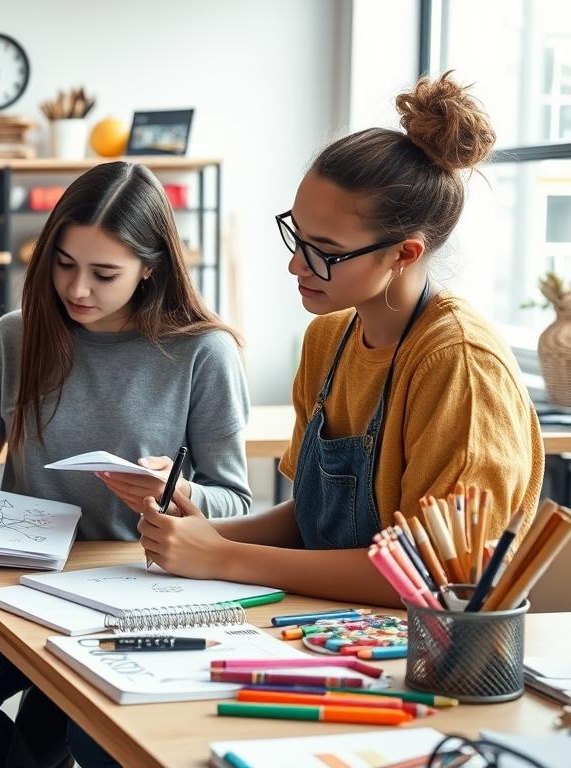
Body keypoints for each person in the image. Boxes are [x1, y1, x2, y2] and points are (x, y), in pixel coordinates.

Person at [139, 73, 541, 610]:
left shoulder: (459, 364)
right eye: (296, 235)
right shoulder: (328, 338)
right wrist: (206, 535)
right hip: (329, 620)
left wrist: (223, 558)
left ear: (404, 254)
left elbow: (435, 576)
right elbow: (309, 518)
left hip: (422, 653)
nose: (295, 264)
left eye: (324, 250)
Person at [0, 161, 251, 768]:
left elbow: (236, 501)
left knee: (85, 736)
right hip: (27, 583)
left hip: (141, 587)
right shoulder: (16, 337)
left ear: (150, 268)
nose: (77, 290)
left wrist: (175, 492)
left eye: (104, 273)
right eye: (64, 264)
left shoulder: (203, 352)